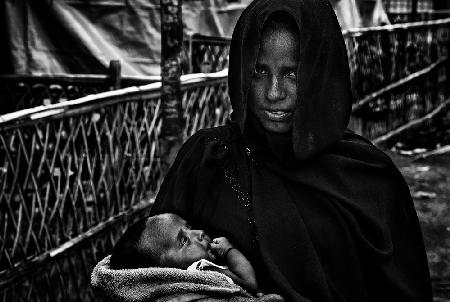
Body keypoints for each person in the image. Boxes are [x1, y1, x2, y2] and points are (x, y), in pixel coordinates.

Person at [151, 0, 432, 301]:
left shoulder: (370, 179)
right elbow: (149, 274)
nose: (274, 93)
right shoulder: (205, 160)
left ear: (323, 73)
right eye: (259, 71)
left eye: (293, 74)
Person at [109, 213, 259, 294]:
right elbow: (249, 283)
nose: (199, 233)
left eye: (190, 227)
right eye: (183, 241)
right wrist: (228, 250)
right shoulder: (201, 269)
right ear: (163, 271)